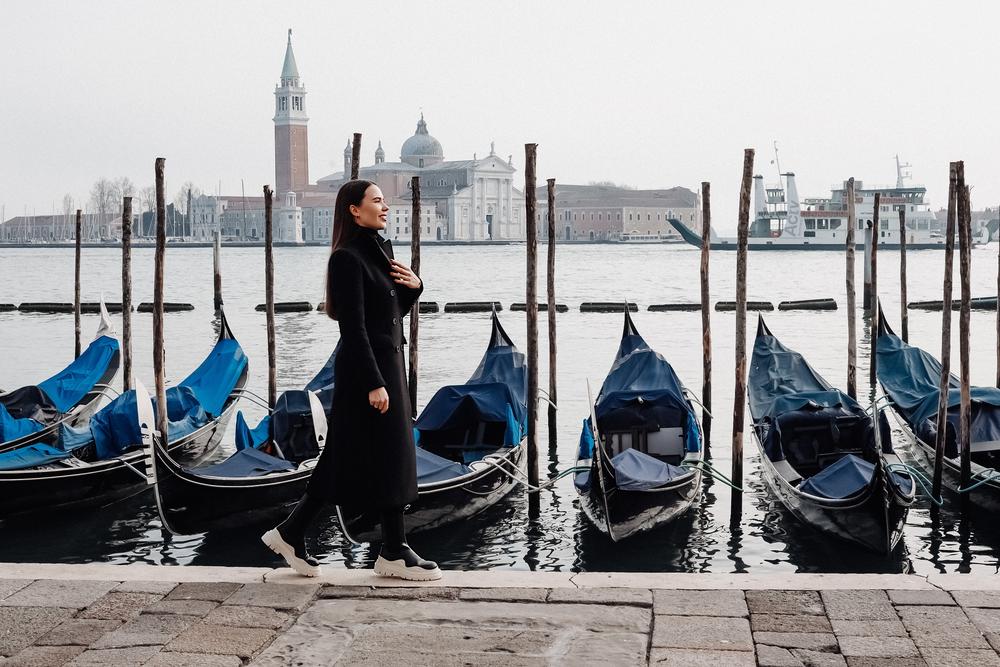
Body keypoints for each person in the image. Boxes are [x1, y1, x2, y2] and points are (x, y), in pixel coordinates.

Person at [262, 179, 441, 581]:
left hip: (387, 368)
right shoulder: (346, 259)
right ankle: (391, 551)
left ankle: (378, 548)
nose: (386, 207)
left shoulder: (382, 251)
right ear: (354, 210)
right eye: (377, 201)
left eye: (384, 201)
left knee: (372, 455)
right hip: (368, 372)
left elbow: (389, 312)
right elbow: (354, 329)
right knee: (367, 455)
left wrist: (416, 289)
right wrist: (374, 382)